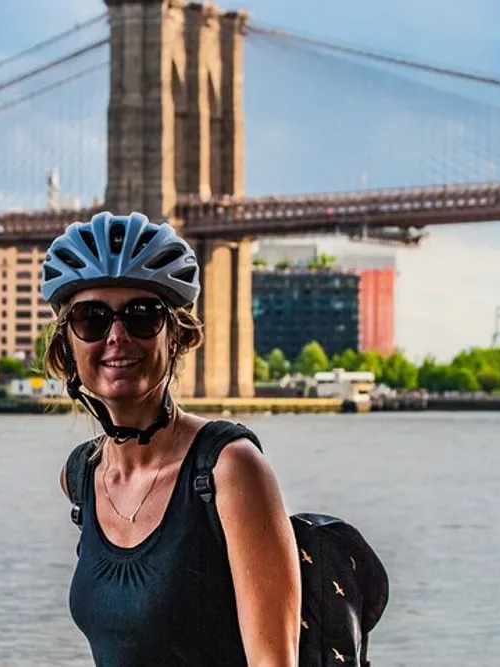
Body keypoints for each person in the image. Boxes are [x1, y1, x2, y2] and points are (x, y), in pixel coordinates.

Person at [39, 211, 302, 666]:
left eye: (142, 317)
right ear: (68, 346)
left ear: (175, 338)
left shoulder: (228, 468)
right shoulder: (81, 475)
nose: (117, 336)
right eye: (92, 318)